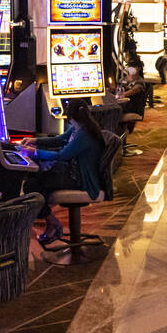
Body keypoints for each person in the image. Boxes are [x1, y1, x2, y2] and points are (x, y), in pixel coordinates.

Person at [22, 99, 105, 244]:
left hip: (81, 179)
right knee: (34, 180)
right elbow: (59, 140)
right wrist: (34, 140)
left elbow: (62, 155)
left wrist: (35, 152)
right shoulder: (80, 128)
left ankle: (52, 222)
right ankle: (51, 222)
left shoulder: (84, 135)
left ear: (71, 117)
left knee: (31, 185)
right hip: (74, 172)